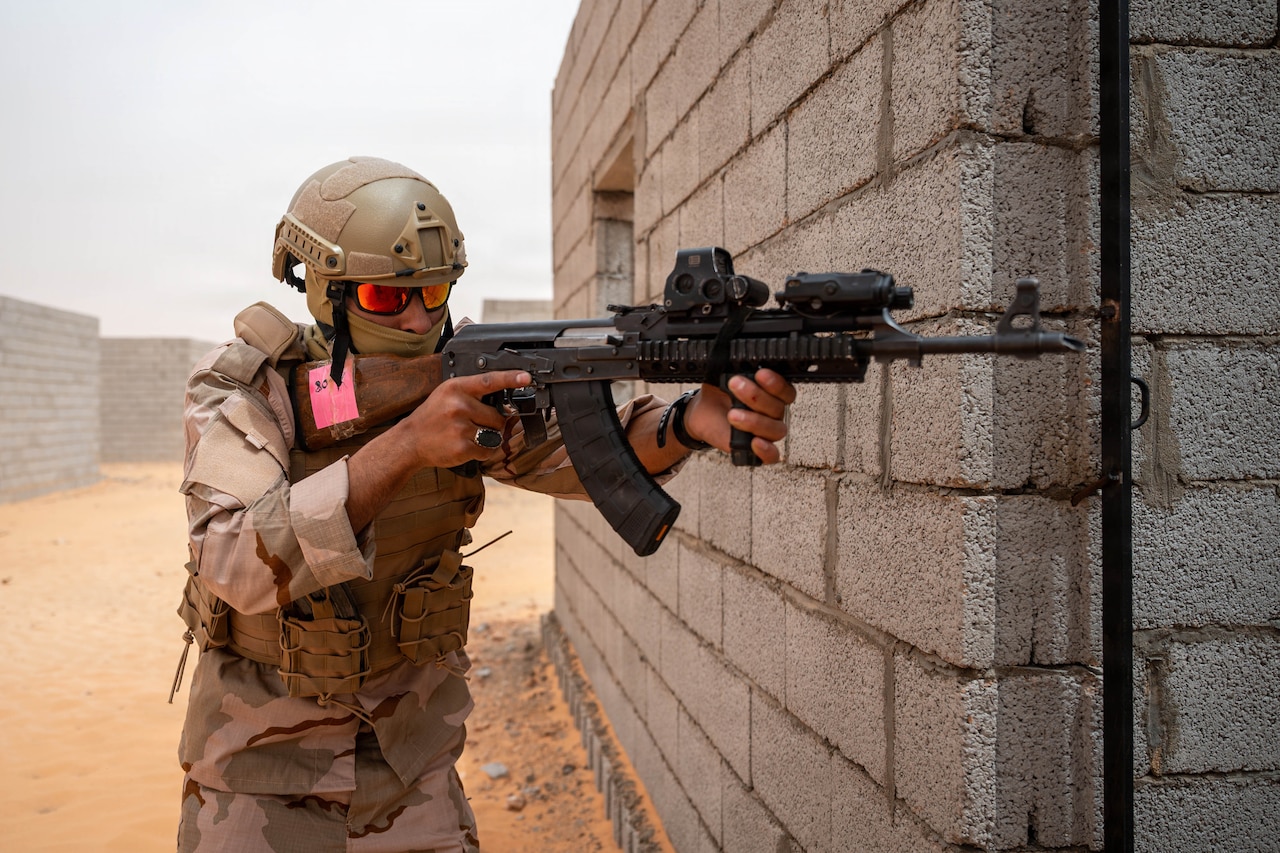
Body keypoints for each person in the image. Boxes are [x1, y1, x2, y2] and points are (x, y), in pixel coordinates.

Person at [173, 156, 795, 852]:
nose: (417, 319)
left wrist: (689, 422)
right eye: (387, 298)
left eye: (434, 293)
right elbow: (232, 561)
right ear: (326, 291)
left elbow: (573, 454)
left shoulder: (463, 375)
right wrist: (408, 443)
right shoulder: (245, 393)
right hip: (260, 777)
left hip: (410, 767)